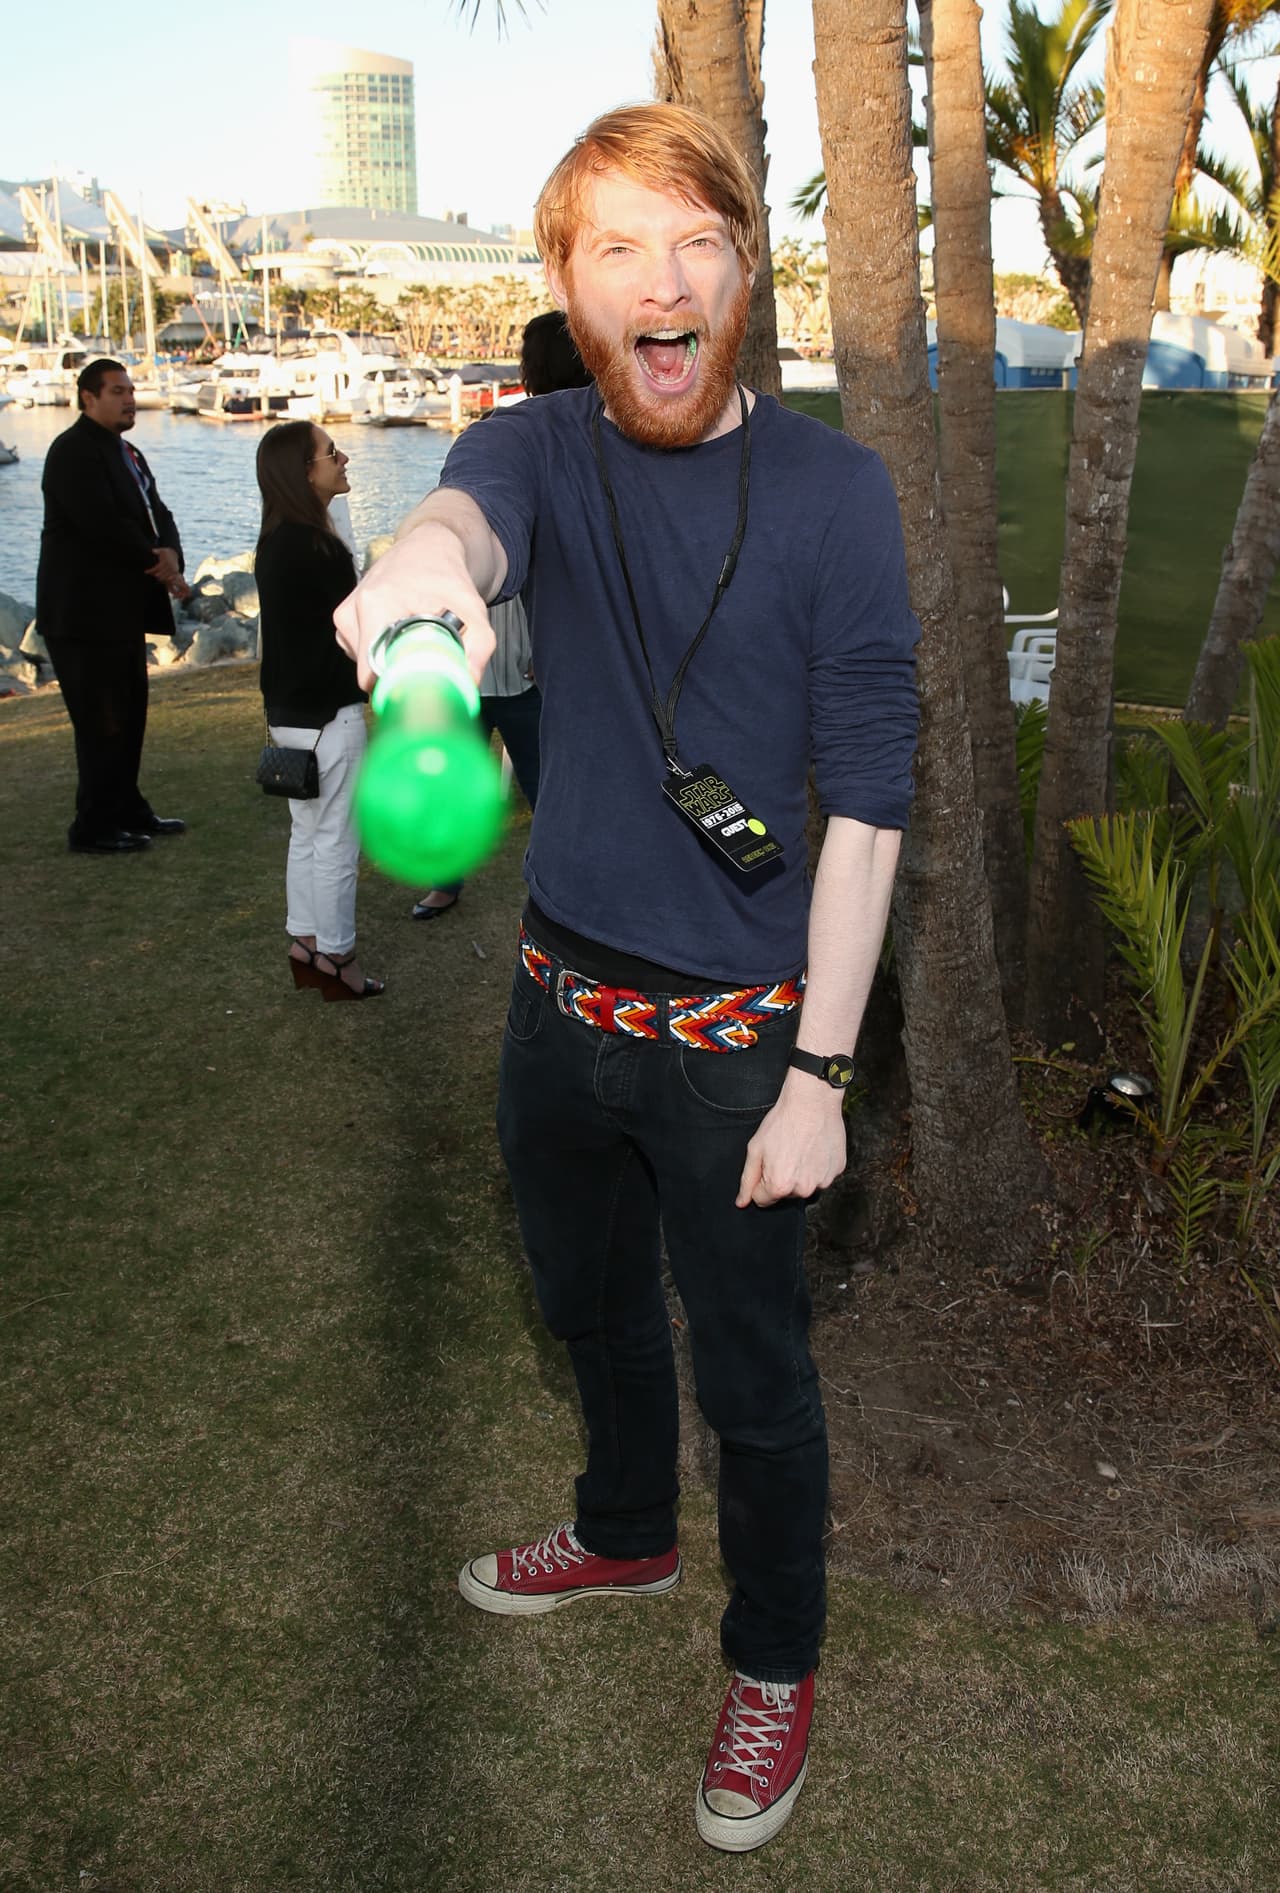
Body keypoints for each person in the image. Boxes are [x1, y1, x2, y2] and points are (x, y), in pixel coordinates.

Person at [335, 103, 919, 1853]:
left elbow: (872, 805)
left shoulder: (835, 493)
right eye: (617, 250)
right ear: (567, 284)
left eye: (695, 245)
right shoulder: (540, 444)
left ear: (745, 269)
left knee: (755, 1375)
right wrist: (422, 607)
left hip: (744, 1041)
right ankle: (621, 1526)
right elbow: (456, 527)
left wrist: (820, 1076)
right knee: (585, 1308)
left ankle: (773, 1655)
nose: (661, 287)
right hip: (555, 1008)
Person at [409, 310, 592, 921]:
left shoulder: (593, 450)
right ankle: (446, 878)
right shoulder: (506, 438)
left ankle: (562, 891)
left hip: (532, 663)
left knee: (552, 789)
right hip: (481, 659)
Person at [37, 359, 189, 854]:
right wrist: (160, 565)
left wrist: (171, 551)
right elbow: (99, 524)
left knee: (130, 715)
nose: (129, 399)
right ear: (88, 397)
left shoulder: (129, 453)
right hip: (81, 614)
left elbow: (157, 512)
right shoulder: (71, 453)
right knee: (100, 720)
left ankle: (127, 809)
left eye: (131, 390)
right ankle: (93, 825)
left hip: (121, 612)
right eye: (117, 391)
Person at [255, 422, 383, 1002]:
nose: (344, 458)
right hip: (330, 714)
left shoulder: (277, 540)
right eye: (333, 453)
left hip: (289, 712)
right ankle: (336, 954)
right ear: (306, 471)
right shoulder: (319, 548)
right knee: (335, 841)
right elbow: (350, 635)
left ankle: (305, 941)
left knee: (306, 834)